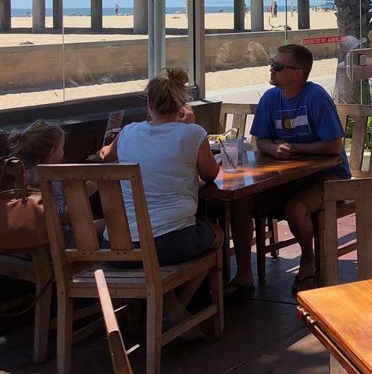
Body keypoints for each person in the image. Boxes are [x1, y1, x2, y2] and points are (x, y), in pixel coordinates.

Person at [100, 68, 223, 312]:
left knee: (181, 237)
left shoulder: (128, 132)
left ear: (150, 102)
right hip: (166, 244)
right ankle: (177, 309)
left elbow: (105, 156)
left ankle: (166, 304)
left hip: (115, 246)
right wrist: (189, 126)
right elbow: (211, 175)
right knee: (217, 235)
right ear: (181, 104)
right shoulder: (192, 133)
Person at [231, 45, 347, 296]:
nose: (272, 70)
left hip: (328, 176)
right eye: (273, 64)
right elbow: (260, 140)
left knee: (295, 209)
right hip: (287, 177)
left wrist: (294, 147)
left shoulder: (316, 97)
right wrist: (274, 149)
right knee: (239, 201)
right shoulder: (270, 98)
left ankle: (308, 259)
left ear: (298, 73)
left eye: (278, 66)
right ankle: (243, 274)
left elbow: (334, 146)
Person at [2, 120, 92, 248]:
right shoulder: (50, 177)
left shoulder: (19, 173)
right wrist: (87, 191)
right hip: (59, 244)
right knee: (109, 226)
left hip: (25, 242)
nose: (63, 152)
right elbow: (61, 216)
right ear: (52, 152)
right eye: (62, 148)